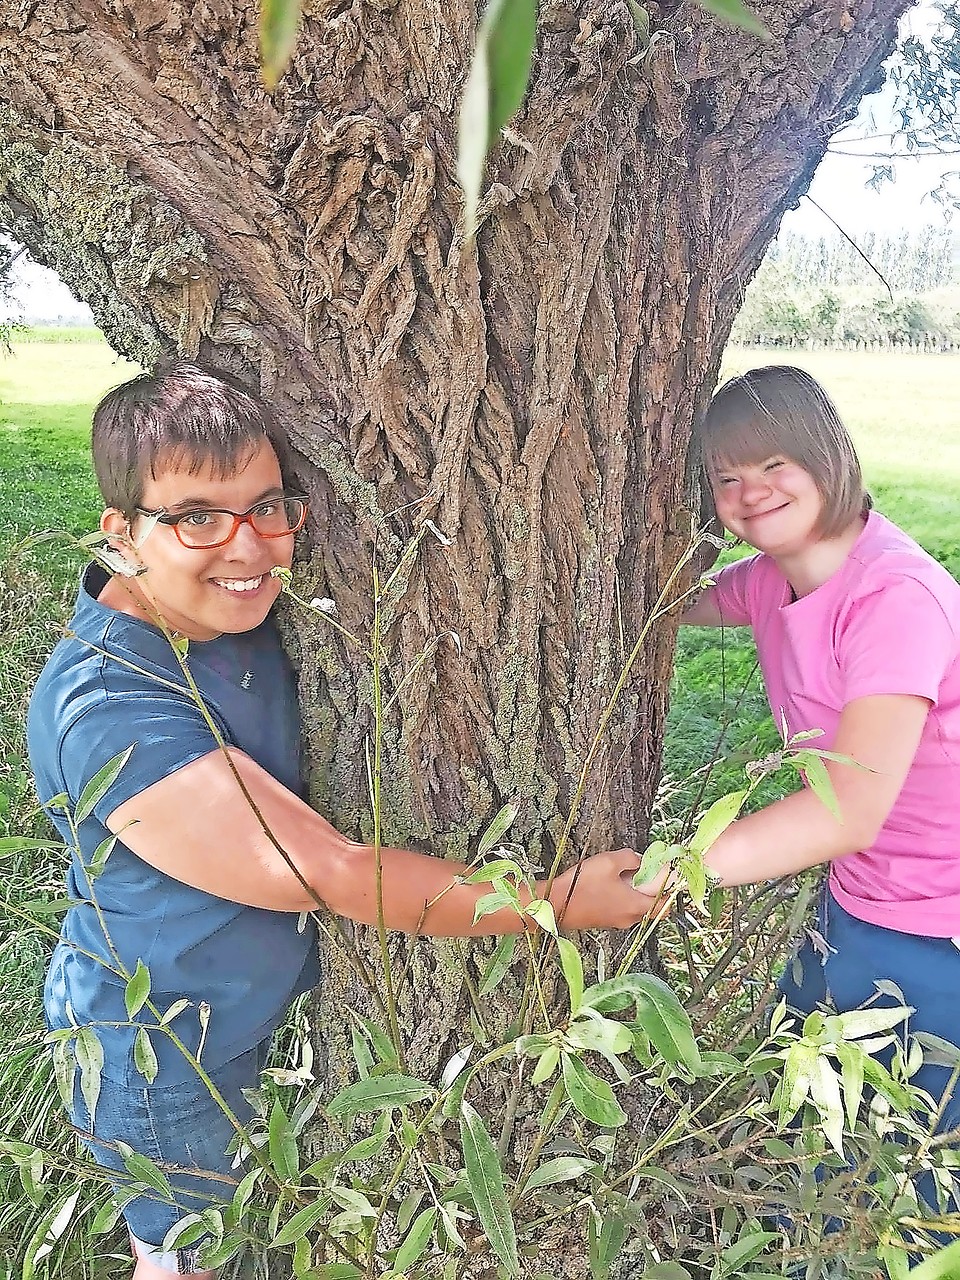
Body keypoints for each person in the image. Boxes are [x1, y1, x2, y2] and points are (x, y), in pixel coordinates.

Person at [27, 362, 650, 1279]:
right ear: (120, 533)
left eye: (268, 507)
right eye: (198, 517)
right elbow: (328, 869)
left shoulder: (223, 615)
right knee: (215, 1262)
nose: (248, 550)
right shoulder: (112, 707)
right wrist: (556, 901)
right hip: (162, 1058)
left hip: (251, 1022)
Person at [638, 364, 960, 1229]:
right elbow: (659, 607)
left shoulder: (895, 598)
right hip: (856, 897)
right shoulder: (774, 579)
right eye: (725, 478)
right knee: (802, 1110)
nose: (750, 493)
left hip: (938, 922)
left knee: (904, 1164)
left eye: (774, 463)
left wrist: (672, 872)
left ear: (827, 454)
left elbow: (848, 807)